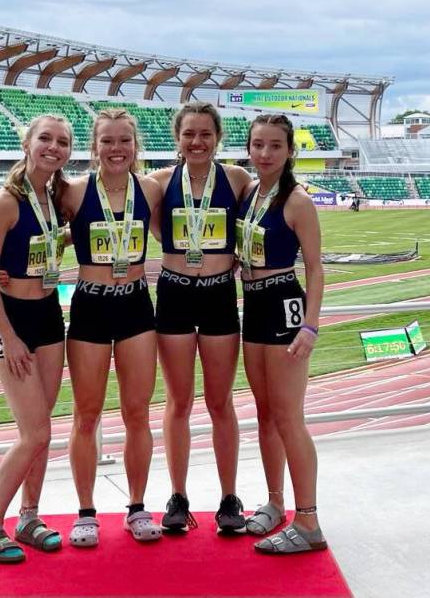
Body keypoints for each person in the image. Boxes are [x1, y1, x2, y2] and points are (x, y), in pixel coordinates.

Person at [0, 114, 73, 565]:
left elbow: (50, 242)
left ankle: (30, 517)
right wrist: (9, 337)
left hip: (50, 316)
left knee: (42, 432)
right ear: (28, 144)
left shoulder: (53, 198)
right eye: (46, 140)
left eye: (63, 142)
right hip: (12, 321)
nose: (54, 148)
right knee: (34, 432)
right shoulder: (4, 203)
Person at [64, 109, 165, 548]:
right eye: (107, 141)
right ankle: (86, 511)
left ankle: (137, 507)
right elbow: (35, 227)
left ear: (135, 145)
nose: (117, 149)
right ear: (94, 146)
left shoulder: (151, 189)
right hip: (90, 305)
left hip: (136, 307)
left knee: (137, 413)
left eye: (125, 140)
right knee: (86, 415)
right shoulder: (72, 192)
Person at [150, 101, 252, 535]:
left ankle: (229, 497)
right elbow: (146, 224)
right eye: (189, 134)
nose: (197, 142)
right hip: (174, 292)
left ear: (218, 138)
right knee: (178, 402)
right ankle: (179, 496)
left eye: (206, 134)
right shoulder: (157, 183)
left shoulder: (237, 179)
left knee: (219, 402)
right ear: (178, 138)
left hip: (218, 296)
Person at [238, 114, 327, 554]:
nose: (266, 153)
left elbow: (314, 268)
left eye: (275, 146)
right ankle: (274, 503)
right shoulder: (250, 193)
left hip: (284, 304)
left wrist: (310, 325)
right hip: (252, 305)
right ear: (249, 148)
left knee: (289, 415)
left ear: (289, 150)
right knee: (264, 413)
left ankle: (307, 520)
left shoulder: (297, 201)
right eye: (258, 145)